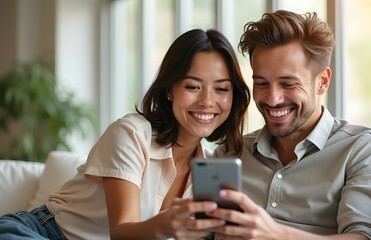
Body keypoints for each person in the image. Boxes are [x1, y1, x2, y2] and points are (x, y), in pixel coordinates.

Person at [0, 28, 250, 239]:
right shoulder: (131, 134)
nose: (207, 101)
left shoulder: (212, 167)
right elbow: (121, 233)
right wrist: (168, 224)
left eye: (221, 89)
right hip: (41, 232)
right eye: (193, 86)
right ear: (169, 90)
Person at [210, 10, 371, 240]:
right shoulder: (230, 152)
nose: (272, 98)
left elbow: (365, 237)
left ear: (323, 81)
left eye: (288, 83)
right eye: (262, 83)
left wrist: (275, 234)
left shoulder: (363, 149)